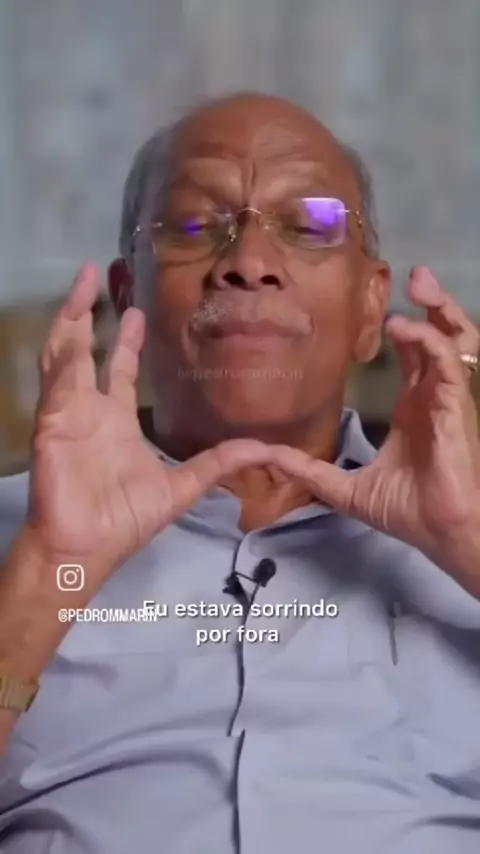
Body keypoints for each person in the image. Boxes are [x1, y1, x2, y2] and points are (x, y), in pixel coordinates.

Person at [0, 91, 479, 853]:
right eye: (194, 225)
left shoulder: (466, 534)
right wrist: (49, 572)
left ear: (370, 310)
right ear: (128, 299)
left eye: (310, 226)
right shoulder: (22, 541)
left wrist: (470, 542)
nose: (250, 264)